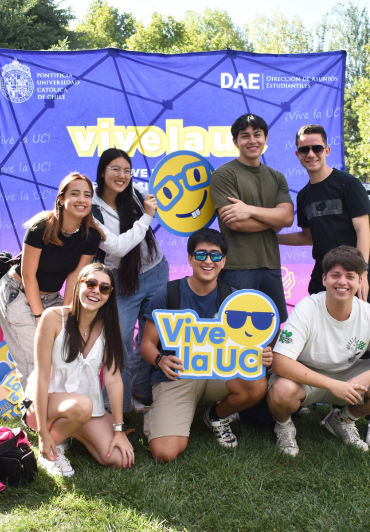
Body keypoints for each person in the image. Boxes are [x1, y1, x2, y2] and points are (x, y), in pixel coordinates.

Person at [140, 228, 273, 463]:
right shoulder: (168, 293)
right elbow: (147, 344)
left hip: (218, 374)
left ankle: (216, 416)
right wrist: (160, 360)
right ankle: (167, 413)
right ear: (190, 258)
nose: (208, 260)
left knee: (256, 383)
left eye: (215, 255)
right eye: (201, 255)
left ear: (224, 261)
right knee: (164, 453)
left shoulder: (235, 298)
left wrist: (258, 355)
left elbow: (246, 344)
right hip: (177, 375)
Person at [22, 263, 134, 476]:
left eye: (104, 288)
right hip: (44, 407)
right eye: (90, 283)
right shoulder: (53, 318)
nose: (96, 291)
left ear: (109, 295)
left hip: (83, 406)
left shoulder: (110, 325)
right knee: (82, 406)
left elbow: (113, 378)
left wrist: (119, 429)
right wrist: (44, 434)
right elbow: (42, 377)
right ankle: (51, 448)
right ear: (77, 285)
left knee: (119, 459)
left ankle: (68, 433)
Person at [0, 173, 103, 390]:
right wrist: (40, 318)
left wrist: (65, 315)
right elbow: (28, 275)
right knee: (36, 359)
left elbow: (75, 277)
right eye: (74, 194)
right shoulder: (41, 227)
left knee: (61, 353)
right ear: (61, 198)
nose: (82, 200)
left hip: (51, 297)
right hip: (18, 291)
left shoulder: (91, 235)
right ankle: (36, 418)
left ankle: (57, 413)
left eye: (87, 195)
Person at [267, 246, 370, 457]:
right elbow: (279, 362)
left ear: (360, 281)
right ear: (324, 279)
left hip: (346, 373)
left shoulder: (366, 313)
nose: (342, 282)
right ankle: (284, 427)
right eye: (335, 275)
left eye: (350, 276)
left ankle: (341, 421)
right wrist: (334, 385)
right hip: (305, 375)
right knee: (281, 391)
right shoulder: (307, 307)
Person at [92, 148, 169, 413]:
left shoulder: (136, 193)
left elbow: (171, 191)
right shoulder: (91, 206)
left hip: (156, 270)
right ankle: (116, 408)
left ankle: (141, 394)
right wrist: (147, 216)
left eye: (127, 170)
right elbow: (117, 247)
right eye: (115, 169)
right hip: (120, 281)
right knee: (119, 343)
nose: (122, 175)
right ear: (102, 171)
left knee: (153, 337)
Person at [210, 113, 294, 326]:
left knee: (273, 326)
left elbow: (287, 218)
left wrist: (249, 210)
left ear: (265, 138)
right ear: (235, 142)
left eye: (257, 134)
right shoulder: (224, 175)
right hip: (238, 267)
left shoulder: (276, 177)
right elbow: (236, 223)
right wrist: (273, 219)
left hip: (271, 264)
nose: (252, 140)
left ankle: (270, 362)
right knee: (236, 328)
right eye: (245, 136)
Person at [277, 124, 370, 301]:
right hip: (323, 275)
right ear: (298, 155)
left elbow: (363, 230)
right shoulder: (303, 195)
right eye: (304, 149)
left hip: (353, 275)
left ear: (326, 150)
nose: (311, 154)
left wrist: (361, 272)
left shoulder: (348, 184)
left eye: (317, 148)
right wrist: (271, 238)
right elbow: (308, 237)